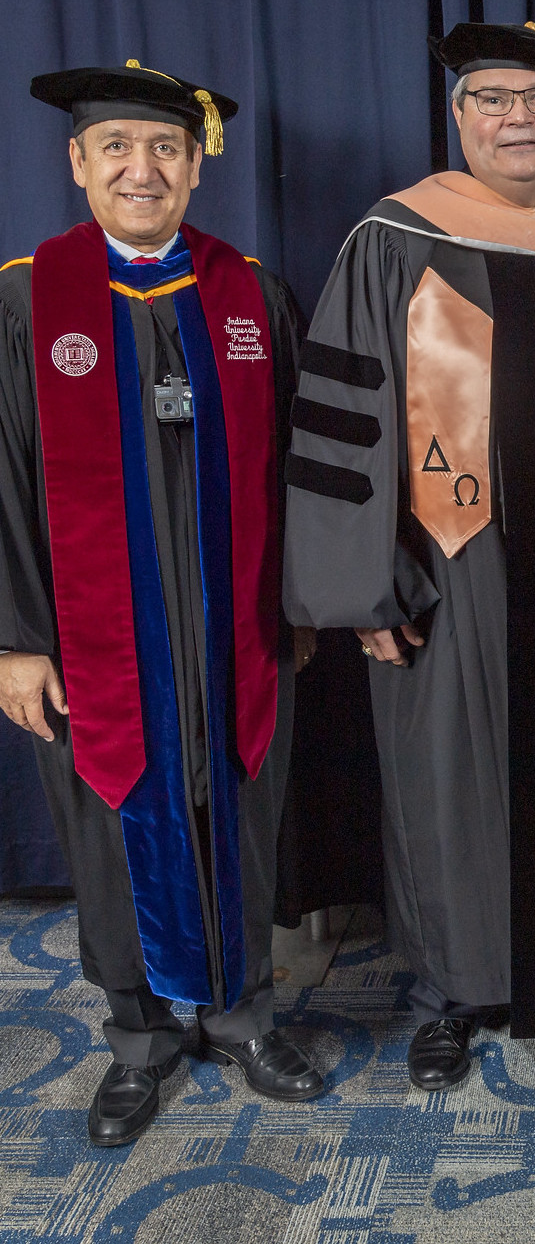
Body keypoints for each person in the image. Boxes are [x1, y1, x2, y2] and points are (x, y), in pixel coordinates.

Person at [282, 22, 535, 1090]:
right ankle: (449, 994)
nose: (518, 117)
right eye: (493, 99)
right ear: (459, 117)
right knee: (448, 788)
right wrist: (359, 582)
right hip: (451, 572)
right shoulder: (394, 237)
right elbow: (343, 427)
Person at [0, 62, 323, 1146]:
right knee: (110, 819)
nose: (144, 168)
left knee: (236, 808)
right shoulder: (24, 297)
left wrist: (304, 599)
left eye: (167, 148)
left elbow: (300, 465)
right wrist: (15, 640)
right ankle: (138, 1040)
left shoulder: (249, 292)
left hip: (237, 635)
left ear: (196, 163)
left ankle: (242, 1015)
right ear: (78, 161)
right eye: (119, 148)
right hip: (95, 639)